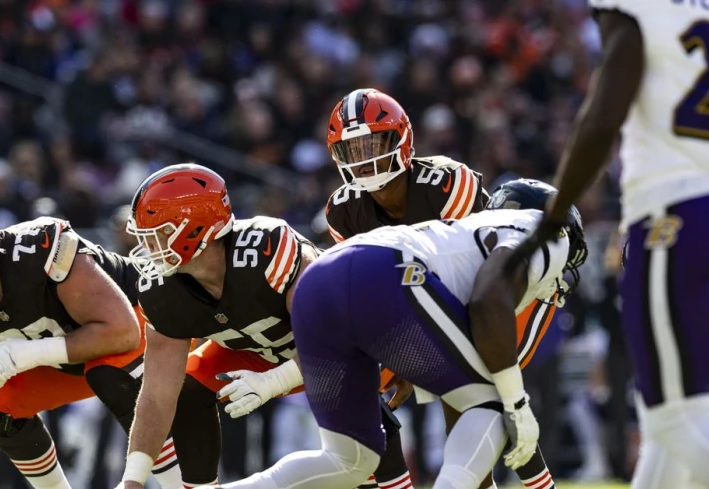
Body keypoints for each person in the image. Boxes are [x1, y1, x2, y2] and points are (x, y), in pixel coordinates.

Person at [506, 1, 709, 487]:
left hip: (674, 212)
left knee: (676, 417)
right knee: (663, 418)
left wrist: (555, 214)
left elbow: (603, 114)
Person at [195, 178, 587, 489]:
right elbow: (490, 303)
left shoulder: (467, 239)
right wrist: (515, 403)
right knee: (491, 402)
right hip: (387, 269)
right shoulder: (547, 234)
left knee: (349, 461)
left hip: (324, 279)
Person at [115, 164, 413, 489]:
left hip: (338, 348)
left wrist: (273, 381)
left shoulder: (266, 251)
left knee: (364, 463)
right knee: (186, 388)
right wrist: (133, 480)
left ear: (193, 230)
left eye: (157, 233)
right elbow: (157, 395)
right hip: (252, 350)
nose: (148, 247)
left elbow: (335, 340)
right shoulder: (162, 290)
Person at [324, 88, 558, 489]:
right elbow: (371, 296)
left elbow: (480, 280)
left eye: (373, 144)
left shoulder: (447, 184)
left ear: (401, 140)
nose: (364, 158)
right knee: (366, 398)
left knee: (484, 399)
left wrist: (410, 359)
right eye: (353, 149)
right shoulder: (343, 210)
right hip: (427, 308)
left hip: (501, 294)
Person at [0, 192, 182, 489]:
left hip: (143, 329)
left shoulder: (38, 250)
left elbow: (122, 332)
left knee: (109, 375)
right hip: (73, 358)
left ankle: (181, 484)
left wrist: (33, 353)